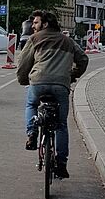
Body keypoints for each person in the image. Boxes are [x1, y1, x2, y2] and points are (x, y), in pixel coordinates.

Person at [17, 10, 89, 179]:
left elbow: (23, 64)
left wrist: (23, 80)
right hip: (61, 85)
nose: (33, 26)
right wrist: (72, 75)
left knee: (31, 105)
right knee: (61, 125)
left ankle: (32, 132)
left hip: (38, 82)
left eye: (36, 23)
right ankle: (62, 164)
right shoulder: (68, 41)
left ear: (45, 24)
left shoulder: (34, 39)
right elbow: (84, 59)